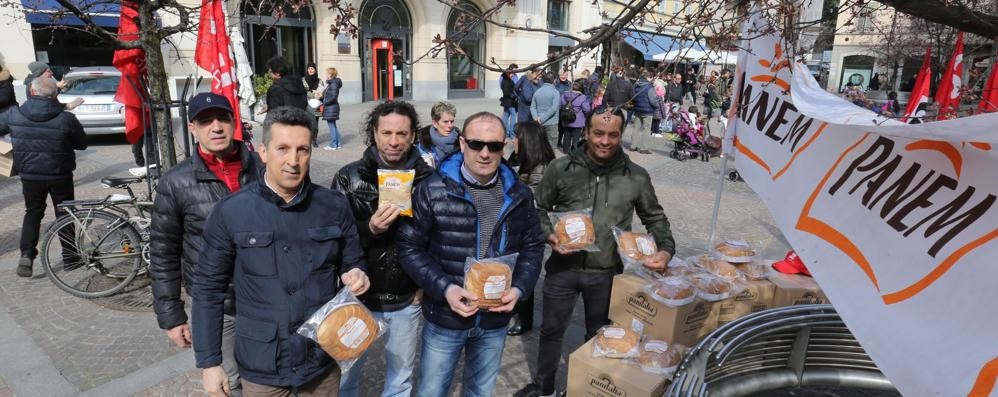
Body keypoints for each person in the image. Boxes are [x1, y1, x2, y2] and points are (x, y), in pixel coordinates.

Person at [192, 106, 371, 397]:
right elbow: (208, 290)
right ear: (263, 152)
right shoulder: (231, 212)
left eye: (302, 150)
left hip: (320, 360)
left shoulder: (334, 206)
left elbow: (353, 259)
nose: (293, 161)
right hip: (263, 364)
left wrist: (357, 273)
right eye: (283, 149)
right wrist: (210, 363)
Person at [516, 106, 676, 397]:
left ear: (621, 135)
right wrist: (549, 235)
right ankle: (544, 386)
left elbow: (655, 218)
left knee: (600, 336)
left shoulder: (635, 176)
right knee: (551, 331)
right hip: (562, 269)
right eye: (598, 133)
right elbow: (537, 209)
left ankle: (588, 387)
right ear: (586, 132)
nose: (605, 141)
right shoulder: (560, 169)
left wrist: (665, 250)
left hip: (607, 272)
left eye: (613, 135)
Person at [398, 112, 545, 397]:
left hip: (494, 318)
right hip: (446, 315)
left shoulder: (519, 193)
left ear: (506, 146)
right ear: (462, 143)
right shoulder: (431, 190)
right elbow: (409, 247)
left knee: (480, 391)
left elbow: (533, 246)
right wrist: (446, 289)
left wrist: (520, 288)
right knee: (431, 391)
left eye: (495, 145)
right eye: (477, 144)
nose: (486, 153)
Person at [149, 92, 262, 396]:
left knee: (269, 377)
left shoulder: (263, 169)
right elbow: (163, 252)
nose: (216, 127)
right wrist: (172, 316)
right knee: (230, 382)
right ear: (192, 128)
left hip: (265, 300)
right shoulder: (175, 182)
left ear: (233, 122)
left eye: (222, 119)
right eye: (205, 121)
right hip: (216, 306)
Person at [333, 100, 434, 397]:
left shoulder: (429, 180)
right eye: (386, 133)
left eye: (401, 134)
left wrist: (424, 285)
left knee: (400, 379)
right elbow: (333, 238)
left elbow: (438, 239)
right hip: (358, 298)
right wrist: (370, 228)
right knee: (346, 376)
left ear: (413, 136)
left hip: (406, 299)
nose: (394, 141)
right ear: (374, 134)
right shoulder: (349, 177)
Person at [0, 76, 87, 278]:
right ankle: (70, 257)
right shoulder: (65, 118)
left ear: (31, 92)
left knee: (33, 212)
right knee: (65, 214)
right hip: (60, 173)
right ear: (55, 95)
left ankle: (27, 255)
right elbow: (82, 143)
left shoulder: (14, 114)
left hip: (30, 175)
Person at [507, 120, 555, 336]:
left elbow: (534, 201)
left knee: (524, 270)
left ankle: (524, 320)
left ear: (526, 141)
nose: (512, 140)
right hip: (514, 224)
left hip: (529, 228)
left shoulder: (542, 168)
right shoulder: (520, 160)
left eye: (516, 137)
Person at [416, 101, 461, 167]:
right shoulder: (423, 144)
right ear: (435, 123)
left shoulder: (460, 141)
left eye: (452, 121)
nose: (450, 125)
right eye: (445, 122)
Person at [628, 70, 658, 154]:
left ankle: (632, 146)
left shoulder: (637, 85)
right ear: (648, 77)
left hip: (637, 109)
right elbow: (653, 101)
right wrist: (656, 105)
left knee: (636, 128)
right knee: (646, 129)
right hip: (647, 111)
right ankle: (644, 148)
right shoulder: (649, 87)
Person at [531, 71, 561, 149]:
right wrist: (541, 119)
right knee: (551, 148)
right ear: (554, 80)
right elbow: (554, 108)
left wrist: (536, 118)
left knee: (539, 146)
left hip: (538, 122)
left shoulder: (537, 92)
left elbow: (532, 107)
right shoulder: (555, 92)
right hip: (552, 123)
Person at [559, 80, 591, 153]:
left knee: (566, 136)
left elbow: (559, 105)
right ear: (581, 89)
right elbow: (587, 109)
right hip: (577, 121)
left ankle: (565, 151)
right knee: (576, 138)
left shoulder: (564, 95)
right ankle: (574, 151)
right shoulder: (583, 97)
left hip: (566, 119)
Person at [321, 67, 343, 150]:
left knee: (331, 126)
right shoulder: (332, 83)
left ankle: (333, 145)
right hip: (332, 107)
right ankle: (338, 143)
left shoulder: (333, 83)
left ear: (330, 74)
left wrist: (324, 103)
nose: (325, 75)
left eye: (327, 73)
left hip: (331, 107)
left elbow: (333, 96)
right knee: (333, 125)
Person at [302, 62, 325, 139]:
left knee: (316, 122)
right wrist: (312, 94)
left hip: (318, 104)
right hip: (306, 104)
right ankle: (307, 138)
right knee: (307, 121)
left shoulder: (319, 80)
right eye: (309, 68)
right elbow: (302, 91)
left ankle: (314, 139)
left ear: (315, 70)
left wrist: (319, 94)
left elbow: (322, 92)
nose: (310, 70)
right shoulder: (303, 80)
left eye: (312, 68)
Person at [500, 64, 519, 139]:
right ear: (508, 74)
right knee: (513, 115)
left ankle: (506, 132)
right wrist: (514, 96)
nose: (512, 75)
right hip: (510, 101)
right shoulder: (506, 81)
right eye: (511, 74)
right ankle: (512, 133)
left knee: (506, 116)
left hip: (507, 101)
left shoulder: (507, 80)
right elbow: (507, 92)